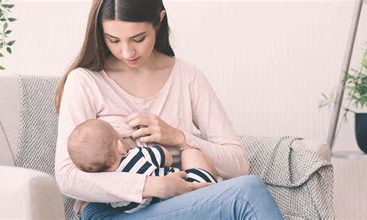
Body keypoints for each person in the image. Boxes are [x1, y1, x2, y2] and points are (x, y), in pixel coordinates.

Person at [54, 0, 283, 219]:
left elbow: (239, 164)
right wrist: (154, 185)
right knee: (245, 195)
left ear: (159, 20)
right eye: (113, 40)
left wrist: (179, 138)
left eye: (138, 38)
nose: (126, 52)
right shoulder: (85, 81)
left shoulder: (187, 77)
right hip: (113, 211)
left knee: (246, 188)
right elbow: (68, 178)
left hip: (180, 202)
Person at [67, 119, 217, 213]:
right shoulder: (137, 156)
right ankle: (215, 185)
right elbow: (167, 157)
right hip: (191, 187)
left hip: (163, 209)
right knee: (190, 150)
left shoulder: (111, 194)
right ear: (120, 145)